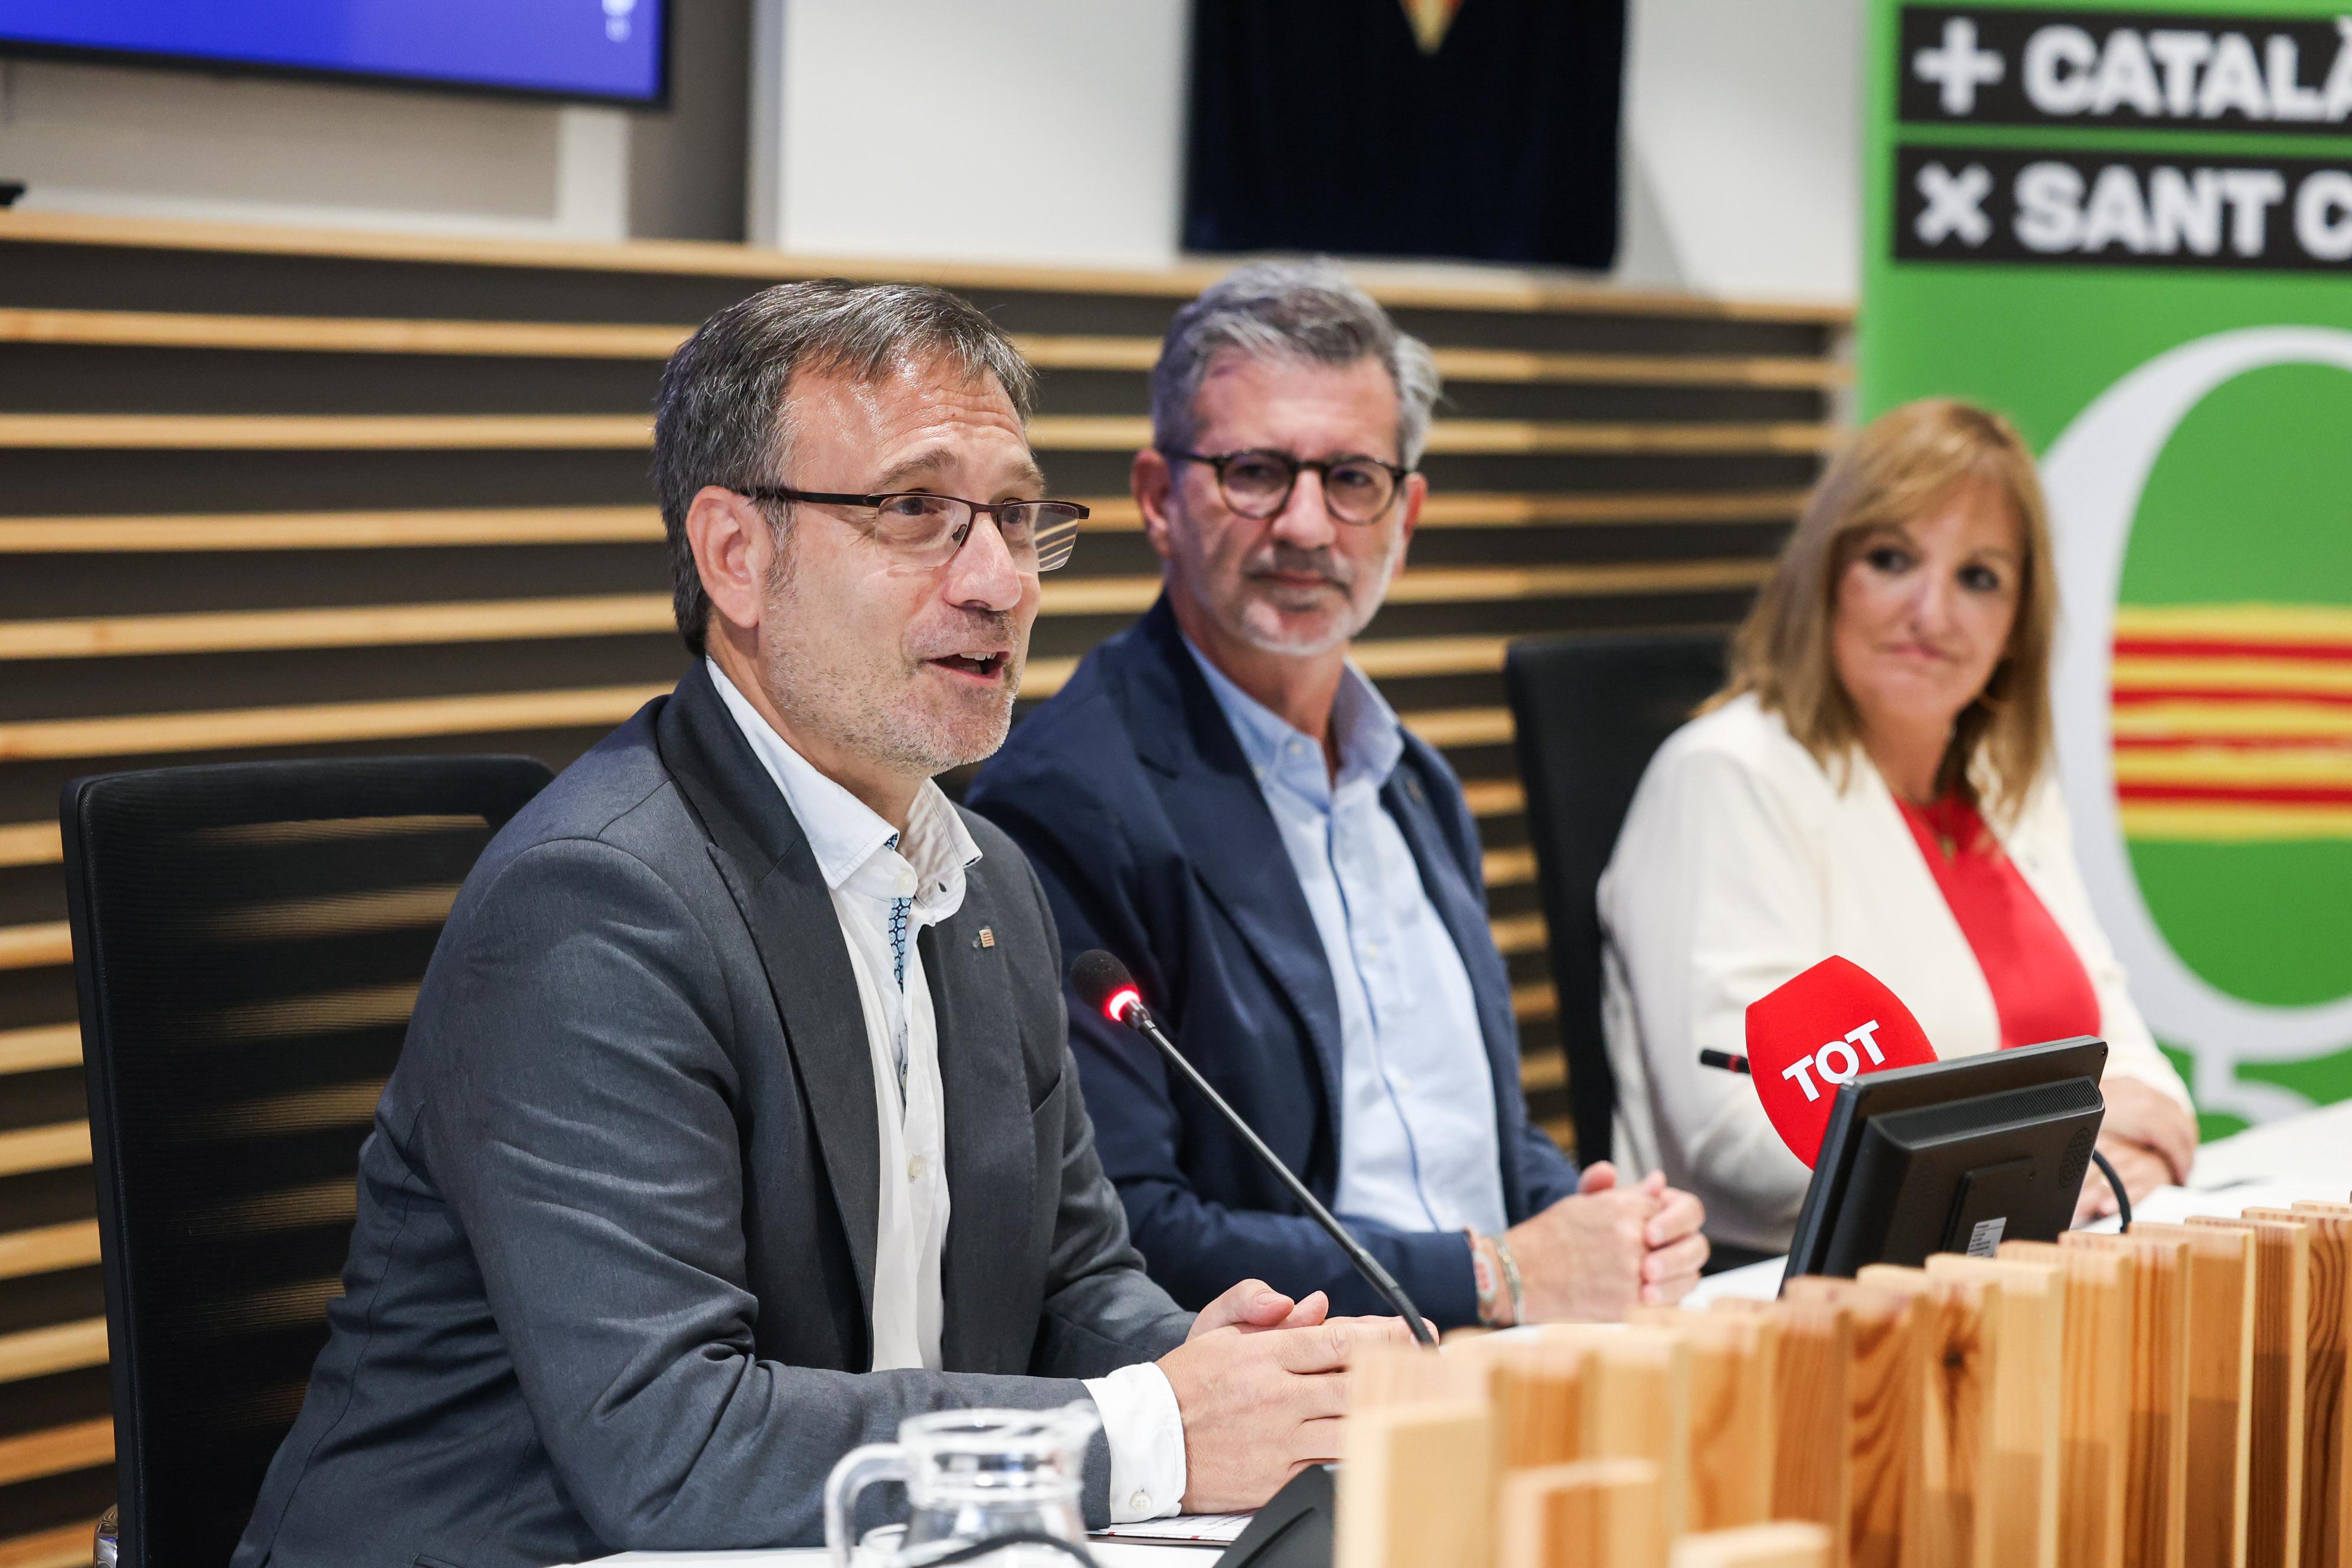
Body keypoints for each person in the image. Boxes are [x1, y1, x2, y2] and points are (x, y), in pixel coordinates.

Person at [233, 280, 1414, 1568]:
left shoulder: (987, 881)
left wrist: (1209, 1362)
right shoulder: (599, 902)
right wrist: (1153, 1429)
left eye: (1016, 516)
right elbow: (675, 1446)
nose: (1000, 581)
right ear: (737, 553)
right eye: (916, 511)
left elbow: (1070, 1288)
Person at [967, 262, 1707, 1334]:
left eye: (1351, 479)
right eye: (1256, 471)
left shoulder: (1411, 777)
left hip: (1510, 1358)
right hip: (1301, 1404)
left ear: (1404, 513)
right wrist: (1495, 1271)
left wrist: (1594, 1226)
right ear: (1157, 499)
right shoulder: (1069, 803)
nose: (1307, 525)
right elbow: (1121, 1231)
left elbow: (1472, 1143)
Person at [1598, 398, 2198, 1256]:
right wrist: (2059, 1163)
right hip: (1792, 1309)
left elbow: (2136, 1065)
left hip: (2016, 1278)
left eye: (1978, 578)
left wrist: (2084, 1150)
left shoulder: (2006, 786)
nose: (1933, 612)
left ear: (2016, 628)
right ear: (1826, 574)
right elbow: (1743, 1138)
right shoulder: (1728, 776)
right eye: (1893, 559)